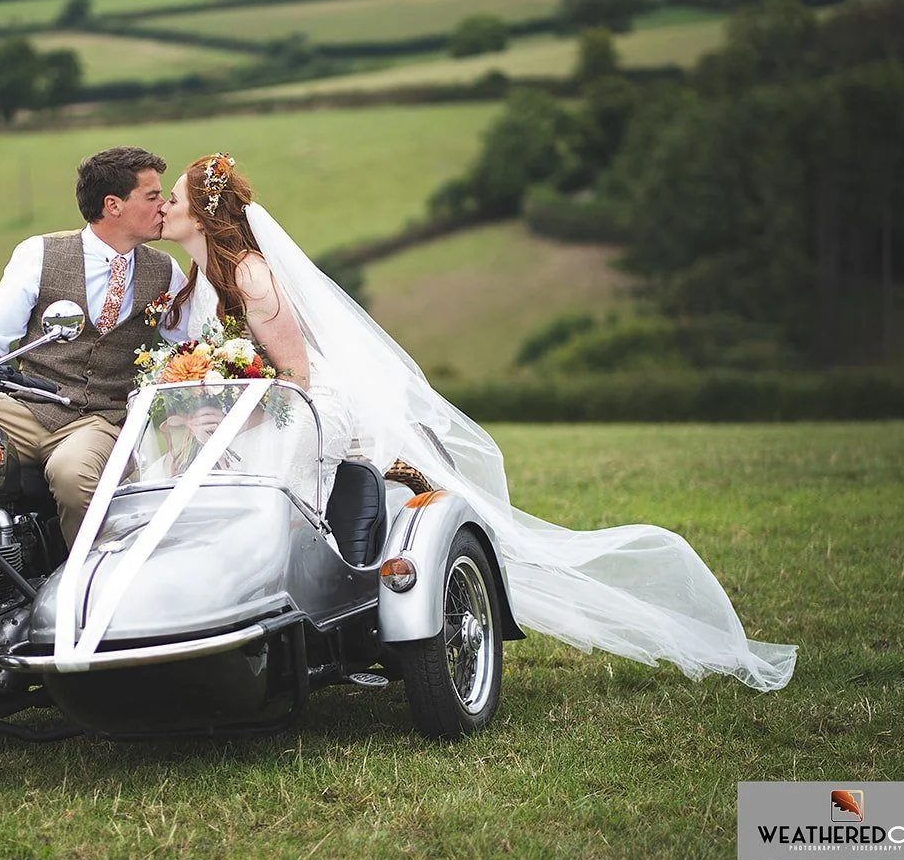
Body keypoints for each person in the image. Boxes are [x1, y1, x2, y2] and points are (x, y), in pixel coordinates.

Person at [155, 152, 797, 692]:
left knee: (269, 471)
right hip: (251, 407)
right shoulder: (200, 275)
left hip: (307, 404)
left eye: (174, 200)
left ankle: (310, 607)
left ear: (203, 215)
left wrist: (237, 419)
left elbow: (294, 377)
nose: (165, 209)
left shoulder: (252, 275)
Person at [0, 146, 191, 543]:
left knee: (74, 476)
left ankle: (89, 592)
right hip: (25, 406)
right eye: (153, 197)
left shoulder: (164, 270)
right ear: (113, 205)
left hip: (100, 418)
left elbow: (190, 348)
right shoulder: (39, 253)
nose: (163, 208)